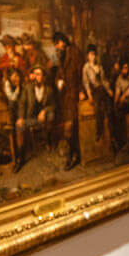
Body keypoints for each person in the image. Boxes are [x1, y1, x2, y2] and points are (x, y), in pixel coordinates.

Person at [52, 31, 84, 170]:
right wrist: (58, 80)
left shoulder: (74, 53)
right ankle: (75, 153)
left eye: (57, 44)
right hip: (66, 97)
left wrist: (82, 90)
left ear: (62, 42)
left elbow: (82, 72)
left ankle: (72, 156)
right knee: (70, 125)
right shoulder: (62, 55)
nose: (56, 47)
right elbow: (60, 73)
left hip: (75, 93)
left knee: (70, 126)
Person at [15, 64, 56, 170]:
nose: (36, 76)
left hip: (44, 118)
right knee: (19, 127)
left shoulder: (49, 89)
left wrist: (44, 111)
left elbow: (53, 105)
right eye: (35, 74)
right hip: (31, 118)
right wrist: (20, 118)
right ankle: (21, 158)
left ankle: (48, 140)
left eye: (39, 74)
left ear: (43, 77)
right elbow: (22, 104)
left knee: (51, 115)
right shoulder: (28, 88)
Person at [82, 44, 114, 147]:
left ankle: (112, 135)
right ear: (88, 56)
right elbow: (86, 82)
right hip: (94, 91)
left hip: (102, 89)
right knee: (97, 109)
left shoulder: (99, 66)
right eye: (91, 54)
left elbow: (104, 80)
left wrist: (109, 89)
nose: (93, 57)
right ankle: (98, 133)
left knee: (110, 109)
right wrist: (89, 95)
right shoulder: (86, 67)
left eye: (94, 54)